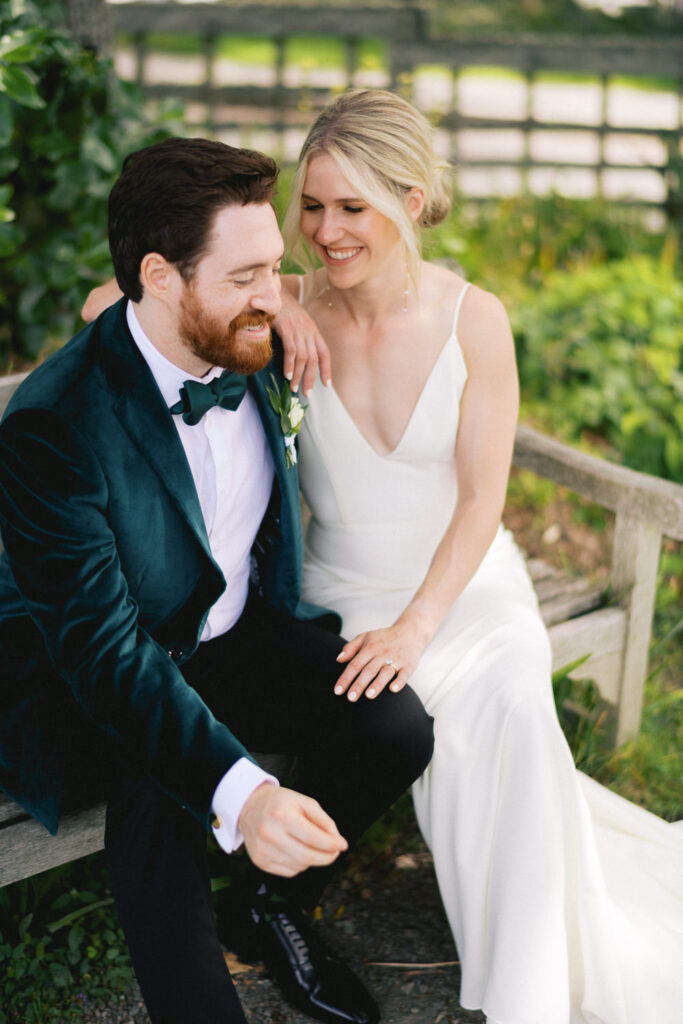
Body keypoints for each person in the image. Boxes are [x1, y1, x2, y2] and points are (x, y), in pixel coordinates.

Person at [0, 135, 435, 1024]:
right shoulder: (54, 424)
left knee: (393, 725)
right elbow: (104, 655)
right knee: (164, 775)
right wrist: (248, 794)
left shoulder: (251, 339)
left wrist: (266, 301)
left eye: (274, 267)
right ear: (160, 278)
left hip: (227, 629)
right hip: (87, 669)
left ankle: (269, 907)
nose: (274, 295)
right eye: (246, 276)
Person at [274, 90, 681, 1024]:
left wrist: (419, 625)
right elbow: (112, 303)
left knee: (510, 703)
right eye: (313, 205)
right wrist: (271, 304)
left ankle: (527, 989)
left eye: (352, 207)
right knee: (408, 714)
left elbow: (478, 500)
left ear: (411, 201)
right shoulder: (288, 303)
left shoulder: (473, 319)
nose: (325, 231)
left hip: (464, 584)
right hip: (342, 589)